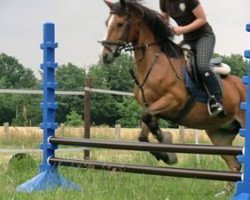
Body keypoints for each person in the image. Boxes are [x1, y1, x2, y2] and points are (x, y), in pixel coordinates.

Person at [159, 0, 225, 117]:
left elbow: (202, 19)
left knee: (202, 66)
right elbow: (164, 20)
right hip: (188, 40)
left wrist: (182, 30)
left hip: (204, 37)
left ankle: (216, 101)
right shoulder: (163, 1)